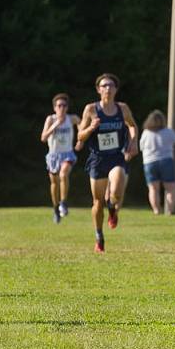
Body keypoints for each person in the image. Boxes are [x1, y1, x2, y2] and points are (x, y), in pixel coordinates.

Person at [77, 74, 139, 253]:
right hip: (97, 159)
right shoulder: (91, 109)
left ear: (116, 89)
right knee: (97, 202)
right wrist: (91, 127)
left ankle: (112, 207)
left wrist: (133, 142)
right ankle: (99, 236)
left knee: (117, 190)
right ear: (98, 89)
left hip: (116, 157)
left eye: (111, 86)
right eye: (104, 86)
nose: (108, 89)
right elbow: (80, 136)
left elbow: (132, 125)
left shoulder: (123, 109)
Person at [40, 93, 80, 224]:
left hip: (67, 153)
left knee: (63, 174)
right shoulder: (50, 119)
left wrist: (80, 139)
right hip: (53, 155)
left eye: (64, 105)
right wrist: (55, 125)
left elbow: (81, 123)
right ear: (54, 108)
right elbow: (43, 138)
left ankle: (63, 202)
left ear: (67, 107)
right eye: (59, 105)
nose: (61, 108)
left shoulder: (71, 119)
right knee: (54, 183)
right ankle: (56, 208)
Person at [138, 110, 175, 215]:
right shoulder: (168, 131)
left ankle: (156, 210)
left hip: (149, 162)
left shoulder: (146, 133)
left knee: (153, 189)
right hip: (166, 160)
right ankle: (170, 211)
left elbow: (141, 147)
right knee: (170, 188)